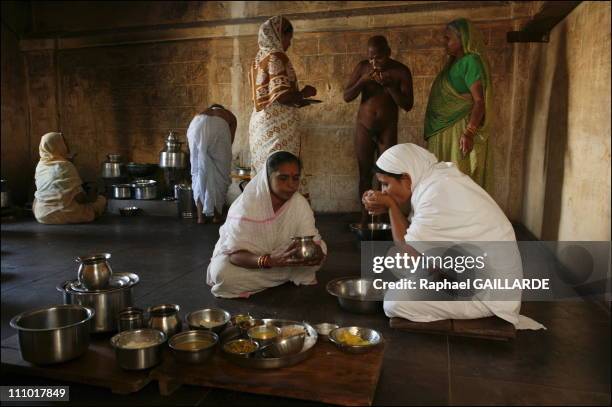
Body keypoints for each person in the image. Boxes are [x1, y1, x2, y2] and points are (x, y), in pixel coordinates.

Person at [362, 143, 544, 330]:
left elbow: (408, 253)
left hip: (488, 295)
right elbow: (412, 241)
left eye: (385, 184)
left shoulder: (435, 192)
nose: (383, 191)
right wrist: (389, 204)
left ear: (406, 179)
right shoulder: (435, 180)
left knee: (393, 302)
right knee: (394, 258)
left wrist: (391, 205)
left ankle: (464, 309)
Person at [206, 151, 327, 298]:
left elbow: (311, 240)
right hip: (252, 261)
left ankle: (273, 276)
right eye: (283, 178)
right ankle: (282, 277)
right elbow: (234, 256)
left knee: (322, 250)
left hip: (284, 260)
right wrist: (269, 261)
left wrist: (316, 253)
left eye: (295, 178)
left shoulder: (299, 203)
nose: (291, 185)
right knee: (222, 273)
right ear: (267, 178)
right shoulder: (246, 205)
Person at [344, 35, 414, 225]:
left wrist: (390, 86)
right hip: (364, 127)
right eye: (371, 58)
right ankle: (366, 216)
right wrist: (362, 81)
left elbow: (408, 104)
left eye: (379, 58)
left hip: (387, 128)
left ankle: (385, 215)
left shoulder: (400, 71)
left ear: (388, 53)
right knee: (364, 174)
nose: (374, 63)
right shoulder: (363, 68)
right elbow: (347, 96)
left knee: (387, 175)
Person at [248, 15, 317, 198]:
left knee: (268, 171)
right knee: (283, 170)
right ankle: (286, 218)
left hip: (263, 122)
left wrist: (298, 101)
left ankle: (263, 215)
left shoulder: (259, 59)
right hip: (276, 127)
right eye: (288, 38)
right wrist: (304, 93)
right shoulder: (276, 57)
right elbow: (283, 95)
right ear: (279, 35)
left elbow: (272, 97)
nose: (289, 43)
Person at [424, 18, 492, 189]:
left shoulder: (471, 62)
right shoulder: (452, 64)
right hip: (442, 129)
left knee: (457, 176)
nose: (444, 42)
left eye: (448, 38)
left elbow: (479, 101)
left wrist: (469, 132)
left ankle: (460, 214)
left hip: (458, 128)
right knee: (440, 178)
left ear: (462, 39)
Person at [33, 132, 106, 224]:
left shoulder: (40, 166)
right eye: (63, 143)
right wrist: (92, 196)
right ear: (58, 146)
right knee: (101, 201)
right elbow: (80, 198)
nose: (66, 145)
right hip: (65, 215)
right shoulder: (66, 165)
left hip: (42, 215)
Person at [187, 104, 237, 224]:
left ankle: (200, 218)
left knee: (198, 172)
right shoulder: (229, 116)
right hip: (218, 128)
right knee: (221, 174)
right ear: (222, 109)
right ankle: (217, 216)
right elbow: (230, 141)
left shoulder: (202, 112)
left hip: (195, 126)